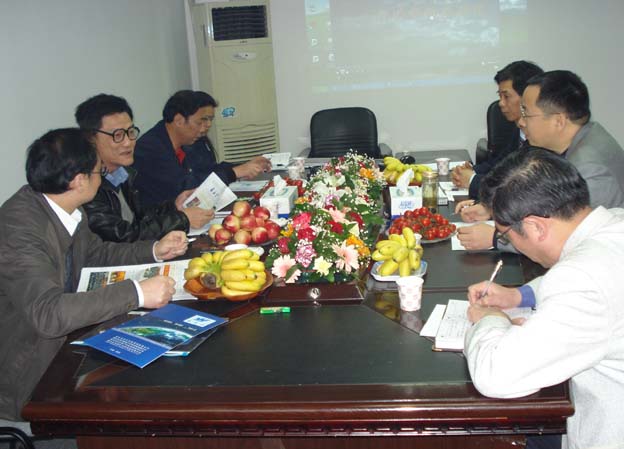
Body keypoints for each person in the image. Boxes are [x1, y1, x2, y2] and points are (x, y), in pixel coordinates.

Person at [0, 128, 189, 422]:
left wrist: (153, 250)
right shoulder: (19, 230)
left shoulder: (63, 207)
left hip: (67, 343)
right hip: (30, 369)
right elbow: (47, 314)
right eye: (99, 171)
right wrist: (137, 292)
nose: (102, 178)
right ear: (79, 181)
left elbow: (96, 254)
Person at [464, 149, 624, 449]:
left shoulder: (583, 278)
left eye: (505, 235)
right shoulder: (614, 222)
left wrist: (490, 319)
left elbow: (496, 376)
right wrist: (518, 295)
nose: (509, 242)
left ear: (536, 226)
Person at [457, 69, 624, 250]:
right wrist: (494, 211)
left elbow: (567, 239)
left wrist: (497, 238)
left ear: (558, 121)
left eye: (526, 113)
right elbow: (548, 205)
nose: (521, 122)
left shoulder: (589, 168)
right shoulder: (583, 138)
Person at [75, 94, 214, 242]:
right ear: (91, 139)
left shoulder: (121, 173)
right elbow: (123, 236)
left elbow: (140, 217)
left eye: (131, 132)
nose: (128, 142)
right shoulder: (85, 185)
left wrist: (174, 206)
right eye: (118, 135)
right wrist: (182, 219)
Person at [132, 90, 272, 206]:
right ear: (179, 120)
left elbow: (208, 169)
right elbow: (185, 187)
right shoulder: (150, 149)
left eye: (210, 120)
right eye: (202, 120)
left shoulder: (192, 140)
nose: (207, 126)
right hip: (162, 223)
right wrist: (234, 173)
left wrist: (245, 166)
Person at [452, 60, 543, 198]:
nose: (501, 103)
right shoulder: (516, 129)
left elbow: (520, 189)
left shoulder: (541, 138)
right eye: (499, 96)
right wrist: (469, 171)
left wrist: (472, 180)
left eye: (506, 96)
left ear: (527, 96)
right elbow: (499, 165)